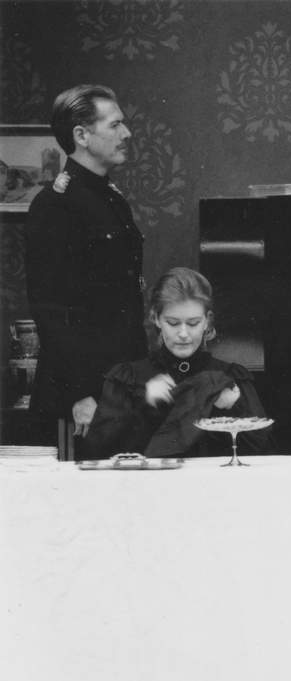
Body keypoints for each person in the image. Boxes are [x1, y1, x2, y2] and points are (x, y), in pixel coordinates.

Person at [25, 84, 147, 451]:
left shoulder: (111, 199)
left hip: (120, 384)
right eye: (115, 125)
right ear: (82, 136)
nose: (127, 133)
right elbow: (51, 310)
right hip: (81, 398)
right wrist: (80, 394)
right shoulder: (55, 205)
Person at [84, 268, 272, 459]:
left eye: (193, 323)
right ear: (156, 319)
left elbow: (264, 453)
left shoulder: (230, 377)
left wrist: (234, 407)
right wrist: (145, 407)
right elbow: (98, 452)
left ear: (207, 322)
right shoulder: (128, 378)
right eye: (173, 323)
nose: (183, 333)